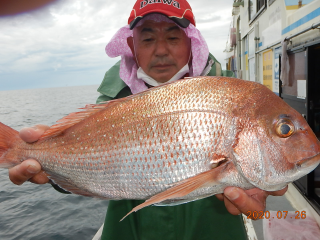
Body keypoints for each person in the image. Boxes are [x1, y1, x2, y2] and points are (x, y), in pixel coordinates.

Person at [8, 0, 288, 239]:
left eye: (173, 36)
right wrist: (50, 168)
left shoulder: (232, 96)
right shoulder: (111, 102)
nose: (161, 50)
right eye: (149, 38)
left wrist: (260, 179)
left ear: (192, 42)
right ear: (132, 45)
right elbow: (87, 167)